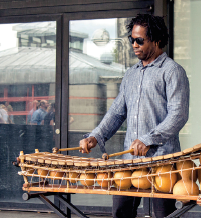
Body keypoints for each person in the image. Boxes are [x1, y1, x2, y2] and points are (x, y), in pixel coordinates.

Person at [79, 14, 190, 218]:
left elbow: (179, 115)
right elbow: (116, 112)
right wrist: (95, 136)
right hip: (130, 160)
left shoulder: (173, 72)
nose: (134, 45)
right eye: (132, 40)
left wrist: (148, 139)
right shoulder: (130, 74)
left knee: (163, 215)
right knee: (121, 212)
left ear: (156, 41)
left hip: (162, 160)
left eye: (140, 40)